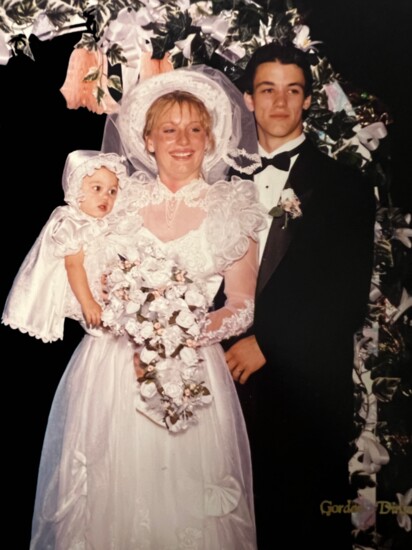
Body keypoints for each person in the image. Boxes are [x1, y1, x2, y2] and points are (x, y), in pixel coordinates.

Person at [17, 65, 265, 549]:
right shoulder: (118, 199)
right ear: (147, 140)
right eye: (168, 129)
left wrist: (178, 335)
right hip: (111, 370)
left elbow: (241, 305)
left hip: (190, 371)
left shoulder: (232, 207)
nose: (183, 140)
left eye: (195, 129)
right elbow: (77, 264)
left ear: (210, 138)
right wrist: (112, 309)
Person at [224, 43, 377, 548]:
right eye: (267, 90)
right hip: (224, 391)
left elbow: (345, 295)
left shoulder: (345, 186)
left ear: (309, 100)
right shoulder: (220, 182)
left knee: (302, 529)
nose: (280, 103)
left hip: (304, 395)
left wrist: (268, 343)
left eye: (293, 91)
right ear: (248, 99)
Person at [2, 149, 132, 342]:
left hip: (105, 289)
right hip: (83, 290)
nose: (105, 197)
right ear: (76, 189)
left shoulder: (106, 225)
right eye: (97, 188)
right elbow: (73, 265)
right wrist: (88, 302)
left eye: (112, 191)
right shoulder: (75, 224)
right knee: (105, 333)